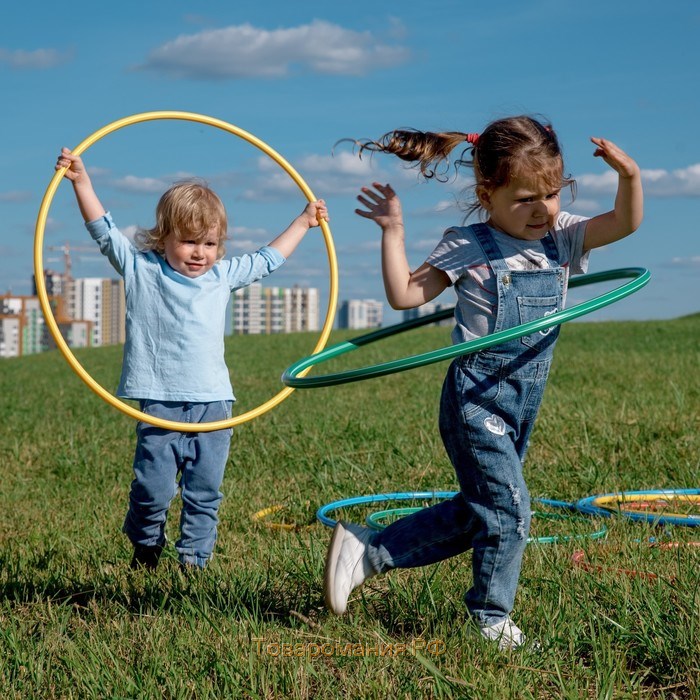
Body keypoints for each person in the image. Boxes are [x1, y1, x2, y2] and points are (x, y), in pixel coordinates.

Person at [323, 116, 642, 650]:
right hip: (475, 399)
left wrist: (629, 176)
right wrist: (394, 234)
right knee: (511, 510)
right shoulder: (467, 244)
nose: (542, 209)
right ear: (486, 193)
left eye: (552, 194)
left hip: (522, 401)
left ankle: (367, 551)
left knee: (483, 509)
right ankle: (491, 619)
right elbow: (405, 295)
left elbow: (626, 224)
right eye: (524, 199)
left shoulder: (562, 238)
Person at [55, 147, 328, 571]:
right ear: (162, 237)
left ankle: (193, 563)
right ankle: (146, 546)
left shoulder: (221, 276)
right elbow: (103, 231)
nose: (200, 252)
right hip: (160, 402)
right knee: (152, 488)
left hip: (213, 403)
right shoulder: (141, 270)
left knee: (204, 490)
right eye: (188, 241)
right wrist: (82, 182)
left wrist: (304, 221)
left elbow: (267, 259)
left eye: (210, 243)